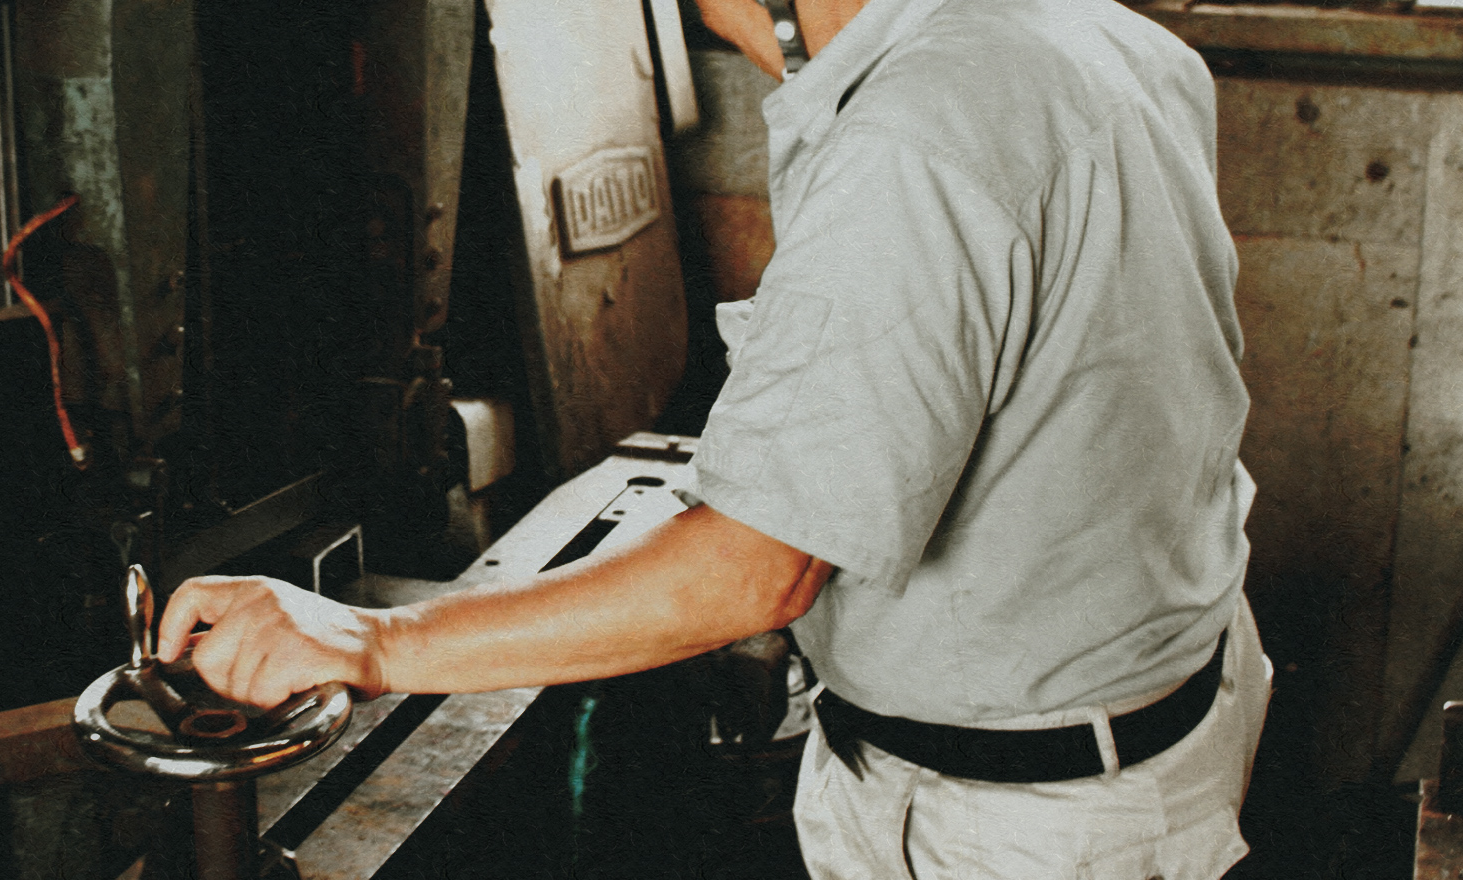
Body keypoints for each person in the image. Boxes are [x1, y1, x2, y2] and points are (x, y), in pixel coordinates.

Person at [156, 0, 1274, 875]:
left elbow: (760, 566)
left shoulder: (917, 129)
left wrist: (368, 642)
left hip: (1018, 825)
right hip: (1156, 714)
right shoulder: (1101, 37)